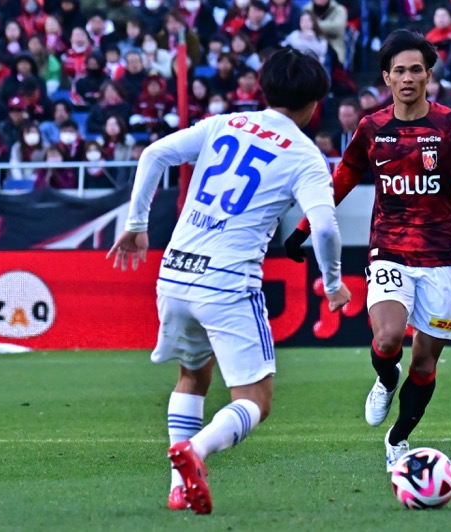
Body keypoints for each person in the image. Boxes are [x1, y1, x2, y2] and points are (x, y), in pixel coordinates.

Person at [105, 47, 350, 515]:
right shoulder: (305, 155)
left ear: (263, 88)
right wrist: (334, 281)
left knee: (193, 375)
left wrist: (137, 224)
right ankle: (195, 451)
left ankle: (179, 486)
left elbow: (155, 153)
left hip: (175, 271)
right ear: (314, 104)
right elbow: (324, 227)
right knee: (256, 397)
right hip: (226, 280)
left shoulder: (225, 123)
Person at [284, 29, 451, 472]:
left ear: (429, 75)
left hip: (443, 258)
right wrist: (304, 227)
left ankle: (399, 437)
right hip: (390, 249)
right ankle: (384, 376)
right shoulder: (371, 128)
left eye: (417, 69)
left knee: (426, 360)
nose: (408, 77)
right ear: (387, 78)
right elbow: (341, 180)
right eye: (400, 71)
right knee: (388, 337)